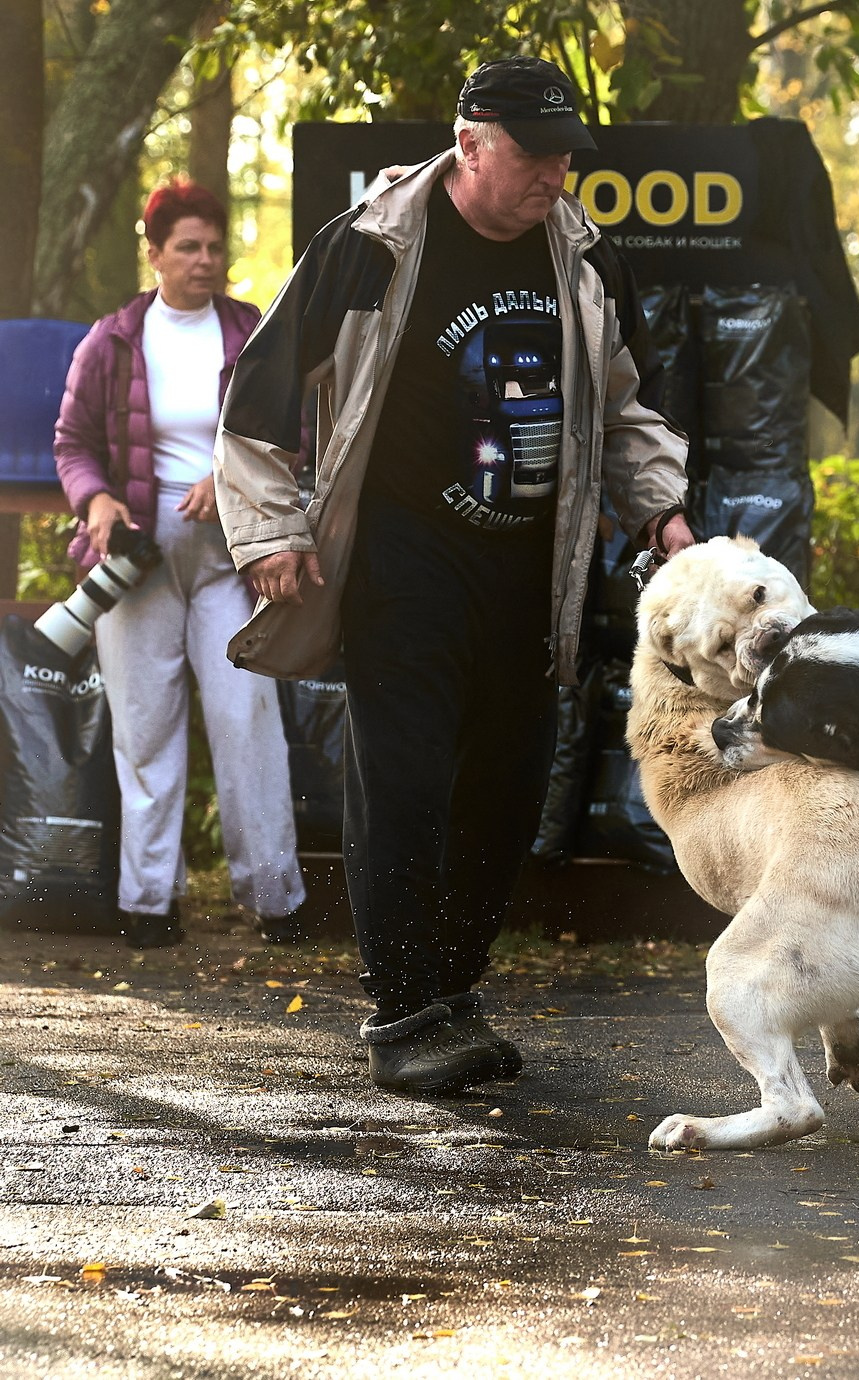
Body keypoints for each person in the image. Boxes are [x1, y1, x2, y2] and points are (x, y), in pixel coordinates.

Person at [215, 57, 693, 1095]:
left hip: (530, 571)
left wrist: (667, 520)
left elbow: (627, 411)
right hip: (402, 561)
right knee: (407, 778)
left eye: (567, 152)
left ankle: (456, 987)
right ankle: (403, 1011)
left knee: (505, 788)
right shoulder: (372, 245)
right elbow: (255, 398)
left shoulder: (585, 257)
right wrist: (270, 534)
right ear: (471, 143)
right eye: (534, 152)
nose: (555, 172)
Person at [53, 179, 306, 951]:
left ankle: (275, 899)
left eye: (215, 247)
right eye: (188, 247)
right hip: (137, 559)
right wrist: (95, 503)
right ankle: (148, 904)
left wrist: (225, 479)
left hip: (231, 554)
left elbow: (290, 432)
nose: (206, 260)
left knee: (247, 719)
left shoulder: (251, 332)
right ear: (154, 252)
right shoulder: (113, 340)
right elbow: (73, 444)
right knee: (145, 729)